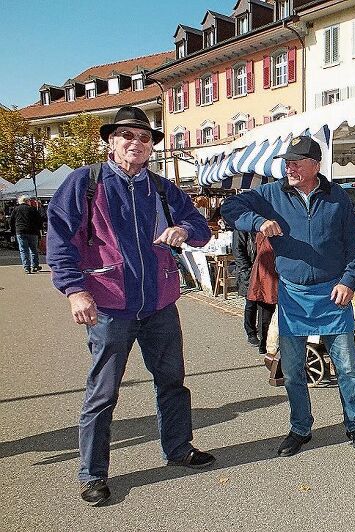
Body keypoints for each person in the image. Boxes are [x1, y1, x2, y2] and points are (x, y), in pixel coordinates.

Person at [46, 106, 216, 506]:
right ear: (110, 141)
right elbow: (60, 241)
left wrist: (184, 229)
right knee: (102, 393)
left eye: (144, 138)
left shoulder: (161, 188)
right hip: (108, 306)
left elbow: (202, 228)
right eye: (127, 136)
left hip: (159, 304)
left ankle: (178, 449)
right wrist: (74, 290)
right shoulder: (83, 183)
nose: (136, 143)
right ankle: (92, 473)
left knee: (172, 383)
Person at [221, 135, 355, 456]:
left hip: (334, 293)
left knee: (346, 367)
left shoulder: (338, 199)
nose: (289, 168)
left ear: (315, 166)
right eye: (287, 163)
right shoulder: (272, 194)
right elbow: (230, 207)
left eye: (296, 163)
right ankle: (300, 428)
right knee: (292, 371)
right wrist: (259, 221)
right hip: (293, 295)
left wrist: (348, 280)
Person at [248, 232, 278, 355]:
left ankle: (266, 344)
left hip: (268, 270)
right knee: (266, 310)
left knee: (266, 311)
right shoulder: (267, 229)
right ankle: (265, 345)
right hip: (267, 272)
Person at [232, 228, 260, 346]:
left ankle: (262, 330)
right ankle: (251, 332)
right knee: (251, 303)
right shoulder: (241, 228)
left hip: (262, 269)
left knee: (265, 303)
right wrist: (246, 270)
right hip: (248, 270)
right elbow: (238, 250)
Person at [10, 194, 43, 273]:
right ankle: (35, 266)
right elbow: (39, 220)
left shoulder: (16, 209)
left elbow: (11, 221)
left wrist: (13, 231)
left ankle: (26, 267)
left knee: (23, 250)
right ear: (27, 201)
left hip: (20, 231)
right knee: (33, 249)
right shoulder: (33, 209)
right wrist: (40, 230)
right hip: (32, 231)